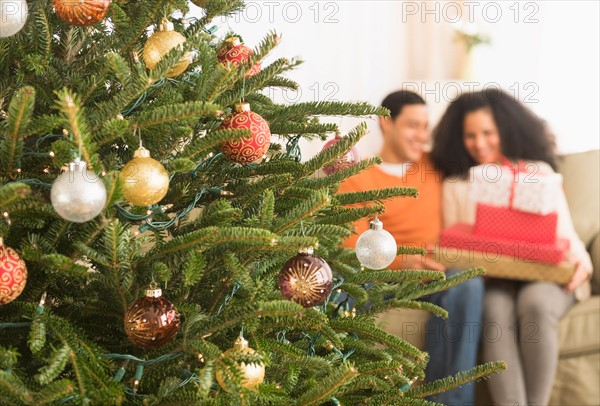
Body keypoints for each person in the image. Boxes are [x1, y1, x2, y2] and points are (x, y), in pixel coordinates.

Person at [430, 89, 592, 406]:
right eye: (470, 135)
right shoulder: (456, 186)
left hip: (546, 277)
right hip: (496, 280)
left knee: (534, 303)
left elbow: (567, 237)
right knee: (494, 308)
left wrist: (582, 264)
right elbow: (459, 250)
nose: (480, 143)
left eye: (488, 132)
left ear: (505, 129)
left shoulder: (537, 174)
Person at [339, 90, 484, 405]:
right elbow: (355, 248)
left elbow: (483, 145)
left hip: (432, 276)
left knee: (468, 285)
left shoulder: (435, 165)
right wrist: (401, 263)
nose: (422, 135)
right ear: (385, 123)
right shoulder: (356, 177)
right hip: (378, 279)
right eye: (412, 125)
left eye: (425, 126)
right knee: (342, 293)